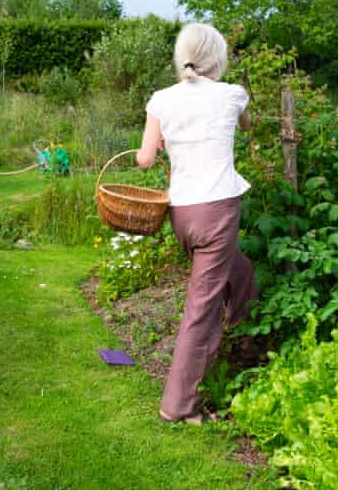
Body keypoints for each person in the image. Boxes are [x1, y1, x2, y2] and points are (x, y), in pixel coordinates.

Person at [136, 22, 257, 425]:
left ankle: (246, 340)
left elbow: (145, 160)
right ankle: (179, 405)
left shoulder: (160, 100)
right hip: (218, 210)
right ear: (217, 58)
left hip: (181, 213)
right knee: (201, 307)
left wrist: (168, 140)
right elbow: (247, 126)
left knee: (240, 273)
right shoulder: (232, 95)